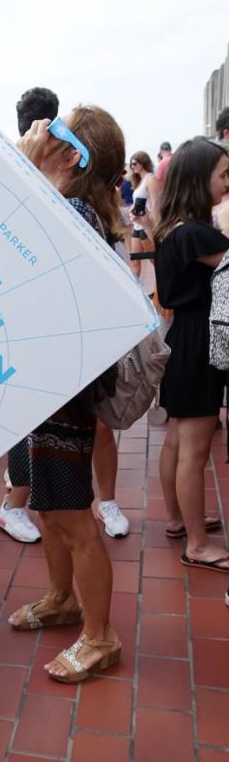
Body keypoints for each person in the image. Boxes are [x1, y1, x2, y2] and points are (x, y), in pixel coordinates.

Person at [8, 106, 124, 684]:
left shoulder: (71, 211)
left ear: (72, 155)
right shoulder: (67, 207)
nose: (41, 137)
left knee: (74, 518)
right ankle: (61, 598)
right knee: (49, 507)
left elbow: (21, 261)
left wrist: (27, 172)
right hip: (50, 384)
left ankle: (101, 637)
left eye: (54, 133)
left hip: (62, 391)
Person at [154, 137, 229, 572]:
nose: (227, 182)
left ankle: (179, 519)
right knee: (195, 451)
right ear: (200, 179)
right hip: (200, 341)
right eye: (223, 174)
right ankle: (198, 545)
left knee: (178, 441)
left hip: (182, 337)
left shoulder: (172, 228)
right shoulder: (198, 234)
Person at [0, 86, 62, 544]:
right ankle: (12, 506)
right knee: (28, 415)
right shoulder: (20, 170)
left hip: (21, 311)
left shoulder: (8, 164)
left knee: (31, 414)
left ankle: (17, 495)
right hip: (19, 315)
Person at [129, 151, 160, 278]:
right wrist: (133, 209)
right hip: (137, 225)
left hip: (147, 226)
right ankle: (134, 289)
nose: (132, 167)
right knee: (134, 261)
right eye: (131, 164)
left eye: (134, 163)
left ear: (142, 163)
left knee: (155, 261)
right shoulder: (139, 181)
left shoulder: (150, 178)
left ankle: (161, 289)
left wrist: (156, 228)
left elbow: (155, 204)